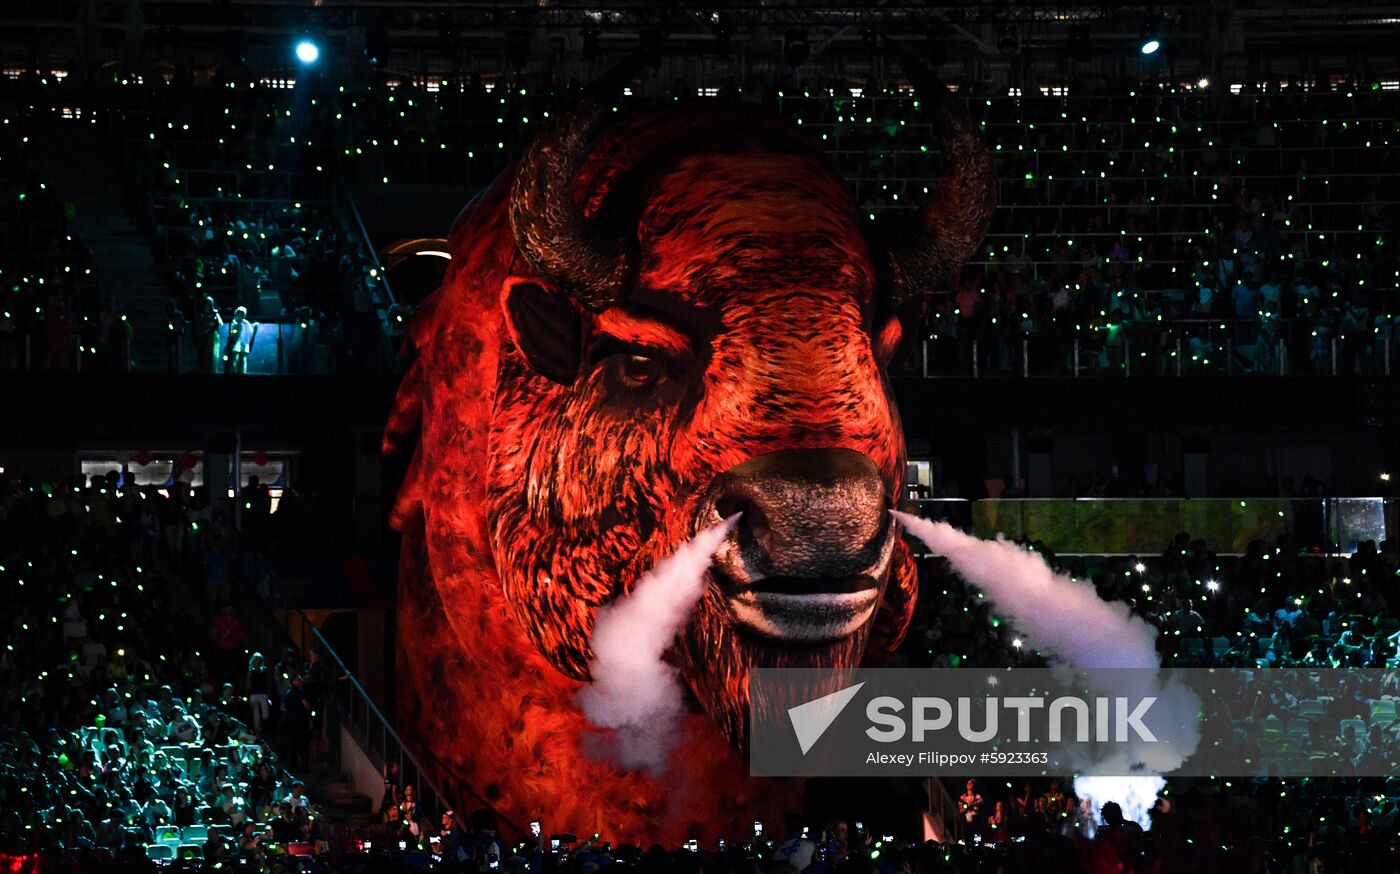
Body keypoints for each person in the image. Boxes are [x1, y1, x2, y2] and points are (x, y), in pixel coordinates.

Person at [224, 306, 254, 374]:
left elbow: (250, 332)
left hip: (244, 343)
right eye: (239, 313)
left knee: (243, 359)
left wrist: (246, 342)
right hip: (235, 343)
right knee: (234, 358)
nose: (240, 315)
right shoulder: (234, 322)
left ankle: (242, 372)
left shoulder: (246, 323)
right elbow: (231, 332)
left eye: (242, 314)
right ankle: (234, 372)